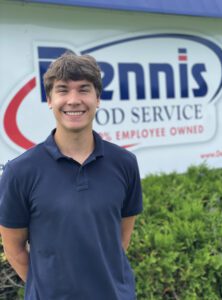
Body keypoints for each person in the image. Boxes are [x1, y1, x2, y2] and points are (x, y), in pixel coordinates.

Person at [0, 53, 143, 300]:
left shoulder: (125, 164)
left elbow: (120, 240)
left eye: (84, 90)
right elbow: (14, 249)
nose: (73, 100)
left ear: (97, 98)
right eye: (63, 90)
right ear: (50, 100)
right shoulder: (20, 171)